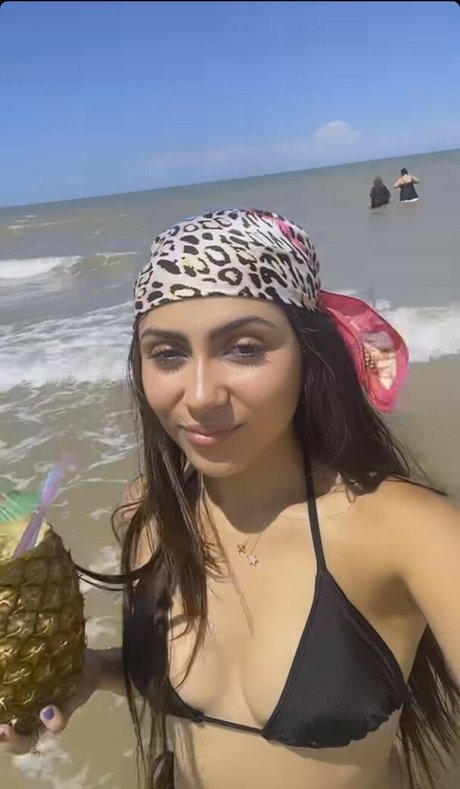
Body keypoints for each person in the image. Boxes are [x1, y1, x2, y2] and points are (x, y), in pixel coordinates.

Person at [2, 209, 460, 789]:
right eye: (167, 354)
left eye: (243, 348)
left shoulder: (405, 529)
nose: (198, 395)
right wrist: (93, 671)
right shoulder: (151, 513)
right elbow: (197, 693)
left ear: (310, 354)